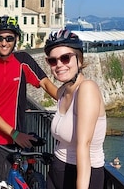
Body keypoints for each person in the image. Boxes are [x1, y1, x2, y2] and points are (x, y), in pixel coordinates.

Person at [0, 15, 58, 189]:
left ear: (16, 39)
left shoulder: (23, 60)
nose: (4, 43)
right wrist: (15, 134)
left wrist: (71, 103)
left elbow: (46, 83)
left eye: (9, 38)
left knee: (8, 182)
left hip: (10, 138)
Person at [44, 29, 106, 189]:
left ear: (79, 60)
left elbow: (83, 144)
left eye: (65, 58)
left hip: (82, 176)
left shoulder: (87, 89)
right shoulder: (64, 90)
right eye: (52, 61)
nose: (59, 65)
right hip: (57, 171)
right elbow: (47, 85)